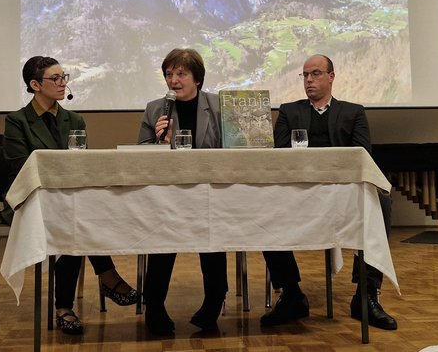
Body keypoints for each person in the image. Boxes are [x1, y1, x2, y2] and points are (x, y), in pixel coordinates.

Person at [3, 56, 139, 335]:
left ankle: (64, 307)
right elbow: (20, 167)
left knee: (77, 218)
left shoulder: (74, 119)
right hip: (35, 200)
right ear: (35, 85)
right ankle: (108, 276)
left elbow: (83, 166)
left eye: (64, 77)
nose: (62, 83)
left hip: (70, 202)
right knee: (77, 220)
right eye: (56, 79)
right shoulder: (17, 121)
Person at [260, 54, 397, 330]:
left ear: (331, 76)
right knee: (264, 207)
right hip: (298, 193)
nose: (309, 80)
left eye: (316, 74)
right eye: (305, 75)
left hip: (342, 195)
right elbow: (278, 157)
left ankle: (366, 295)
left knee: (380, 200)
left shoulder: (353, 112)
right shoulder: (289, 111)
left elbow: (363, 157)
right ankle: (292, 294)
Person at [138, 48, 226, 335]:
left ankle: (214, 301)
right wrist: (159, 143)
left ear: (197, 79)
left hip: (209, 191)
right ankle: (154, 305)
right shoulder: (155, 109)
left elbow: (232, 149)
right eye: (168, 74)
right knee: (163, 236)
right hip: (169, 195)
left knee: (213, 236)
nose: (173, 80)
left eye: (181, 73)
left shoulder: (217, 105)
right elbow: (140, 155)